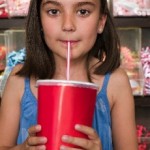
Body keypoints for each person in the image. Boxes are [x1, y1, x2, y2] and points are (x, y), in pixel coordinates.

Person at [0, 0, 138, 149]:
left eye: (83, 12)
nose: (68, 25)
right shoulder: (18, 80)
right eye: (54, 11)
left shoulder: (116, 83)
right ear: (39, 20)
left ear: (100, 22)